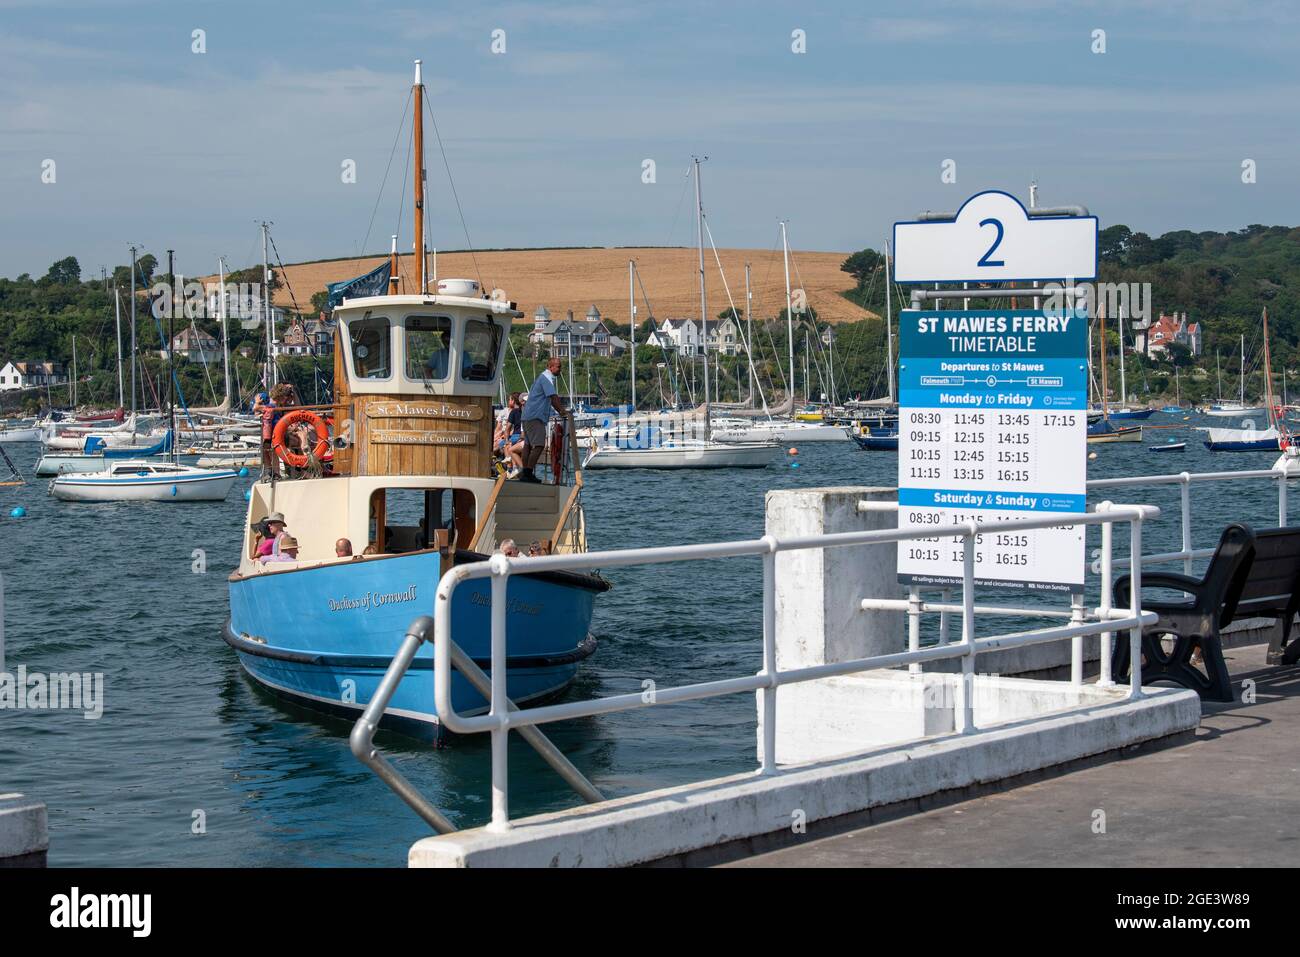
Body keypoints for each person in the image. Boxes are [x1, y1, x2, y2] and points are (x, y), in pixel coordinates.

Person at [519, 356, 566, 482]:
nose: (560, 369)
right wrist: (562, 412)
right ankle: (528, 473)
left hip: (528, 415)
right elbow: (553, 398)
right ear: (550, 367)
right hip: (535, 416)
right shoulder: (546, 379)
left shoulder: (542, 377)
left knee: (528, 446)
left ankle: (524, 472)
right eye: (559, 367)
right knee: (539, 445)